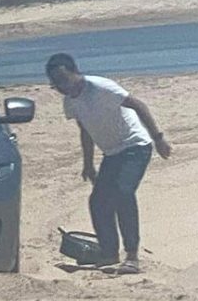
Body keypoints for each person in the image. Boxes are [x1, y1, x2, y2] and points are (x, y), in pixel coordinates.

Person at [45, 53, 172, 274]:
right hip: (112, 153)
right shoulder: (70, 102)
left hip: (135, 145)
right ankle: (109, 253)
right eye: (56, 84)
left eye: (64, 80)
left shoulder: (101, 87)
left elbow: (138, 105)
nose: (62, 87)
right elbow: (85, 130)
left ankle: (131, 256)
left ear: (75, 72)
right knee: (98, 201)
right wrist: (88, 164)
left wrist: (158, 138)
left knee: (123, 192)